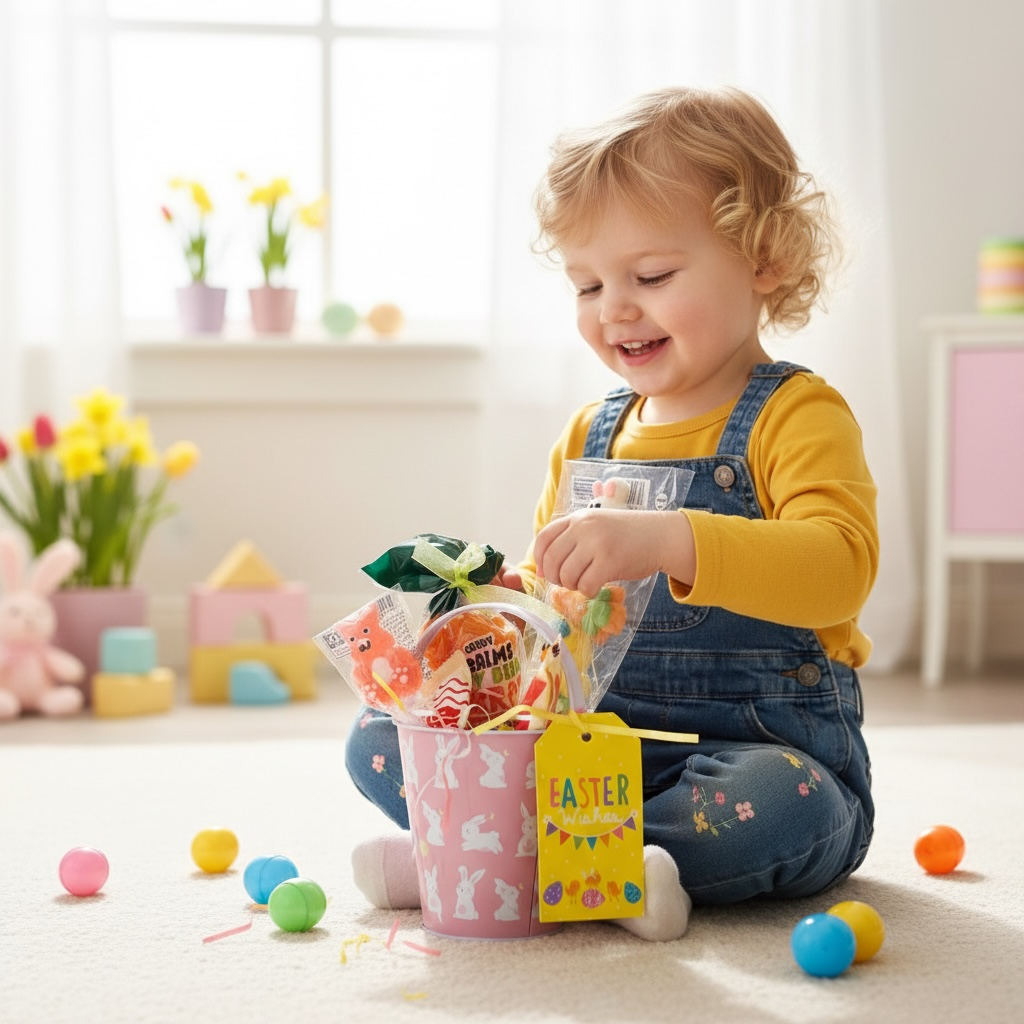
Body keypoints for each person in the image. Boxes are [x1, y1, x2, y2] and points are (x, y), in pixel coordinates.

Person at [345, 85, 877, 942]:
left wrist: (668, 538)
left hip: (757, 752)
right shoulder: (589, 434)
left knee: (787, 810)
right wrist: (479, 613)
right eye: (588, 283)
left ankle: (506, 861)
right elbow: (547, 619)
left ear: (764, 258)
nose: (614, 308)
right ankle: (576, 862)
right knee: (381, 738)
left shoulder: (797, 415)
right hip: (597, 749)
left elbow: (839, 569)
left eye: (653, 276)